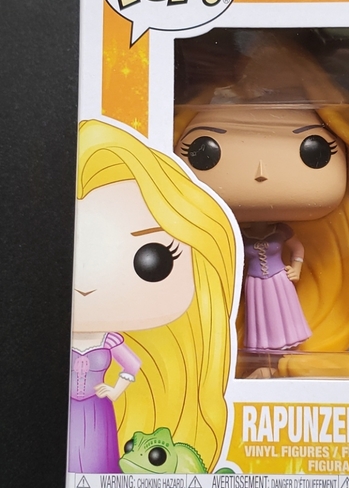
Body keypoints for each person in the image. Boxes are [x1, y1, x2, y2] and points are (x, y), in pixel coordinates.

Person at [174, 36, 349, 356]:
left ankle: (283, 349)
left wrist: (297, 267)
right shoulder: (240, 237)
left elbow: (297, 248)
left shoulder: (283, 232)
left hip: (278, 280)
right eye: (205, 152)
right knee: (259, 323)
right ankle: (260, 352)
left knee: (284, 319)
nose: (261, 172)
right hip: (253, 284)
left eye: (313, 151)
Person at [69, 119, 238, 473]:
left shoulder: (111, 341)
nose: (88, 282)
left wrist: (115, 391)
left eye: (153, 259)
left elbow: (132, 365)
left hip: (97, 411)